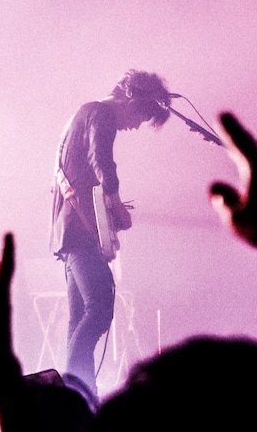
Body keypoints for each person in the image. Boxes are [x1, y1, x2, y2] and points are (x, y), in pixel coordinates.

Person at [49, 70, 171, 397]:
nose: (136, 125)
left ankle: (79, 397)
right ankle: (73, 393)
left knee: (79, 320)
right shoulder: (99, 113)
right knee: (100, 310)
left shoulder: (83, 114)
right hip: (78, 232)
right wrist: (116, 206)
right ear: (130, 97)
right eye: (140, 115)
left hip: (71, 231)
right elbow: (102, 163)